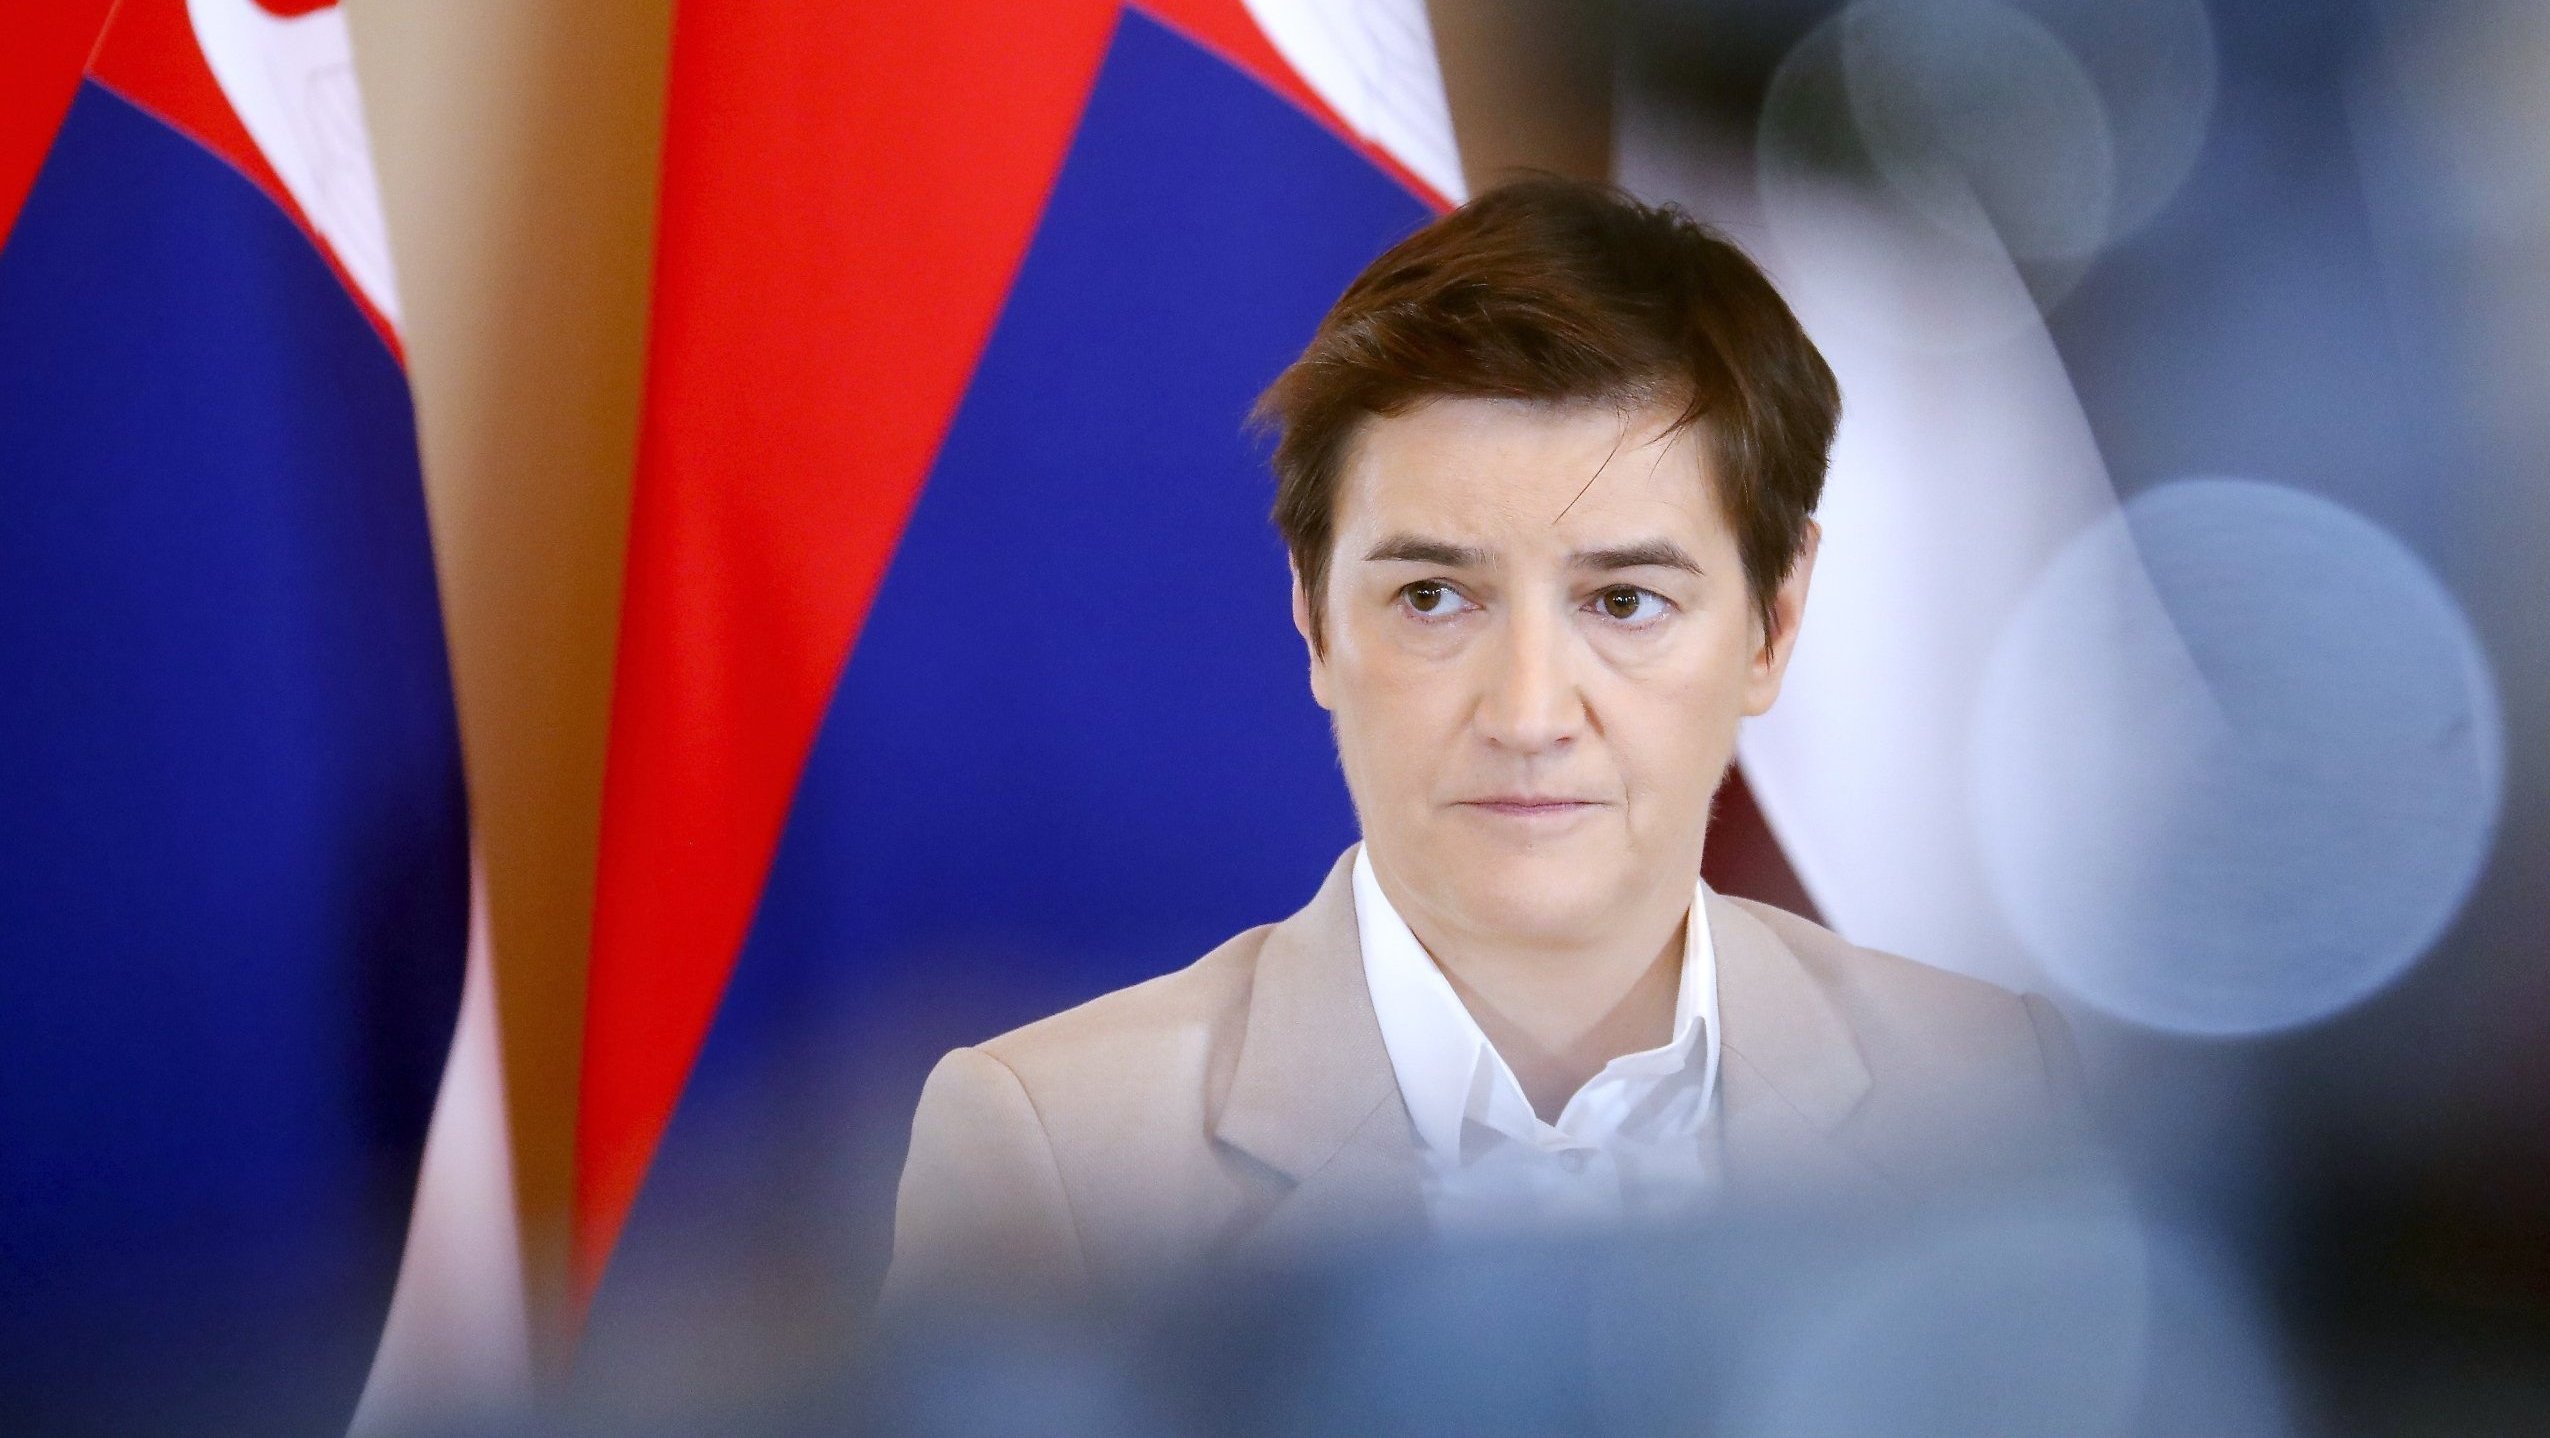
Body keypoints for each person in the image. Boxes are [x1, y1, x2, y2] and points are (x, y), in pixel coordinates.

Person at [883, 177, 2089, 1303]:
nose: (1526, 715)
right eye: (1433, 598)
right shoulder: (1052, 1156)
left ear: (1773, 624)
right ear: (1313, 616)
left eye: (1625, 602)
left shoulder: (1994, 1096)